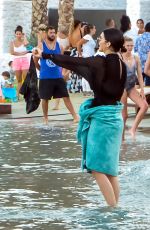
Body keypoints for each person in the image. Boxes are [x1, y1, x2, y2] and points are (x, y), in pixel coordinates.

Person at [33, 28, 127, 207]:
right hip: (115, 118)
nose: (98, 41)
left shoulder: (102, 61)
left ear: (108, 44)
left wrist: (45, 55)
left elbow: (74, 61)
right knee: (110, 170)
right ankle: (116, 208)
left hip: (102, 120)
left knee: (96, 167)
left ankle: (112, 209)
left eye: (100, 39)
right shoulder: (122, 63)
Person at [33, 26, 78, 124]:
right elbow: (35, 59)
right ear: (46, 33)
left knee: (66, 97)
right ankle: (45, 118)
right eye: (50, 32)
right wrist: (40, 69)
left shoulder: (59, 46)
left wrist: (65, 72)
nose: (52, 34)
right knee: (45, 99)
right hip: (45, 77)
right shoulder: (41, 46)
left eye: (54, 32)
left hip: (58, 77)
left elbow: (62, 61)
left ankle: (75, 116)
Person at [121, 37, 148, 140]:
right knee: (124, 115)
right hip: (122, 88)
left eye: (131, 45)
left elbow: (140, 75)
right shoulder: (120, 57)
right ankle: (122, 138)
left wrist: (142, 89)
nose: (130, 47)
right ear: (123, 45)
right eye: (128, 45)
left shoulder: (136, 58)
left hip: (131, 87)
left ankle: (133, 129)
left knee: (144, 106)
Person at [10, 25, 30, 99]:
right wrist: (21, 53)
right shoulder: (12, 42)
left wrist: (24, 37)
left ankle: (28, 95)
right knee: (19, 80)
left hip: (24, 61)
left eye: (19, 34)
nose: (18, 35)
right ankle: (17, 96)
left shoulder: (24, 41)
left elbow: (28, 46)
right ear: (15, 34)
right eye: (17, 34)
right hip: (16, 61)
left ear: (21, 34)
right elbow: (11, 52)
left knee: (26, 78)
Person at [77, 24, 96, 96]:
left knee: (86, 74)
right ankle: (88, 90)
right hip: (87, 57)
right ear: (91, 29)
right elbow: (78, 44)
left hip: (89, 57)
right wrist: (80, 54)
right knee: (88, 74)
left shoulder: (89, 37)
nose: (95, 30)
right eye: (94, 28)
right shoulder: (87, 36)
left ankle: (86, 91)